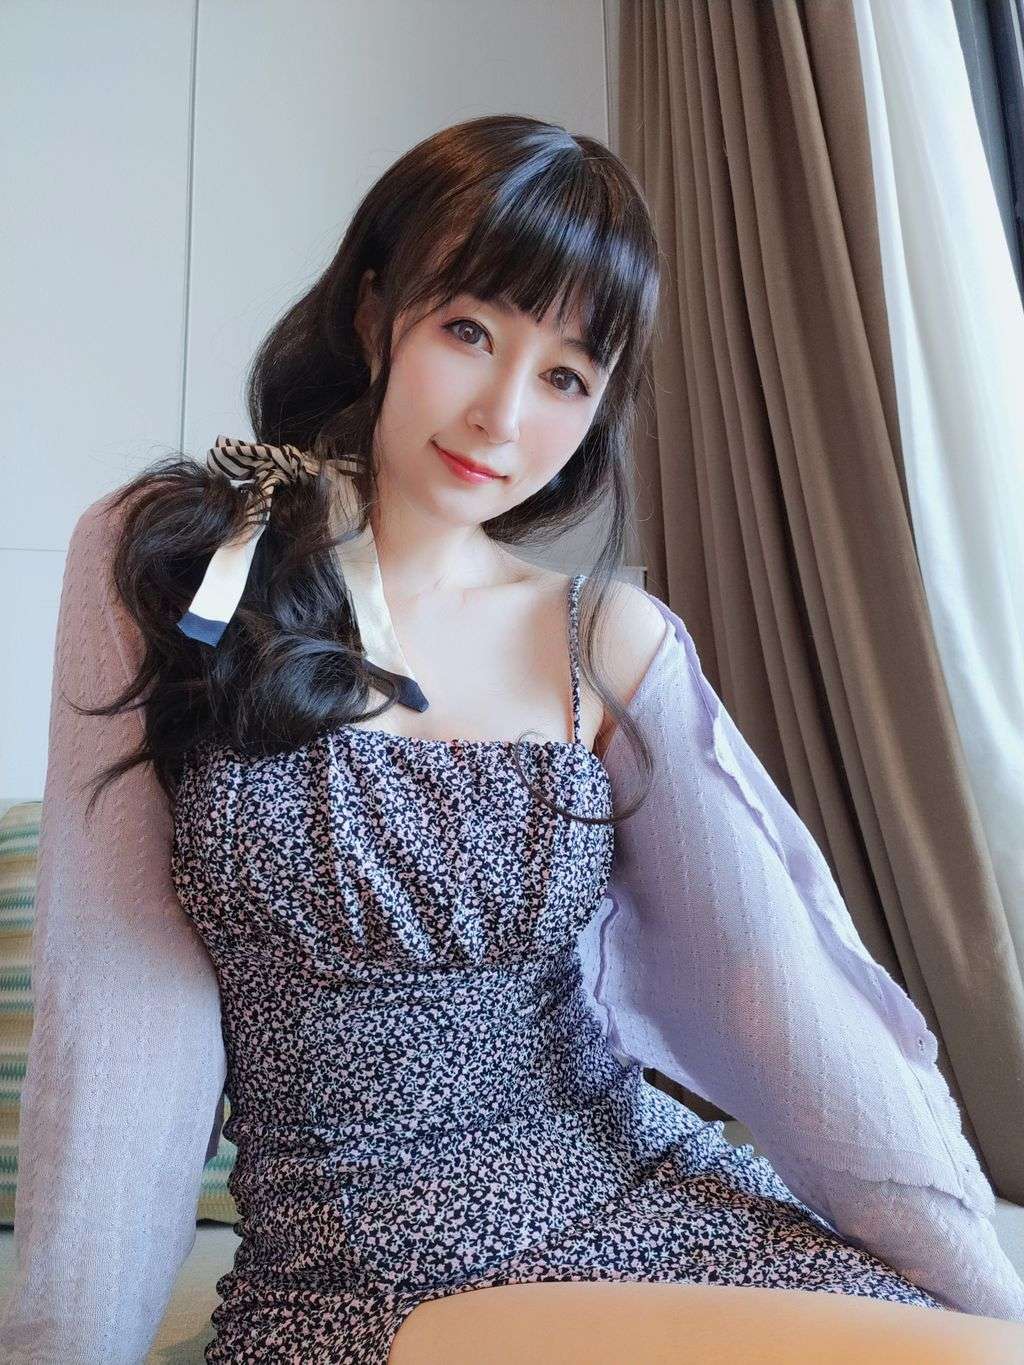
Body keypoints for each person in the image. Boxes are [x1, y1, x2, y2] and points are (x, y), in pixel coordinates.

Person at [4, 113, 1022, 1364]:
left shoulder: (605, 640)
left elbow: (782, 1000)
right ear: (375, 312)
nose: (500, 416)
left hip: (636, 1188)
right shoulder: (173, 557)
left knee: (967, 1351)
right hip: (369, 1271)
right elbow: (117, 1010)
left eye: (565, 378)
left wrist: (985, 1288)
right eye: (470, 331)